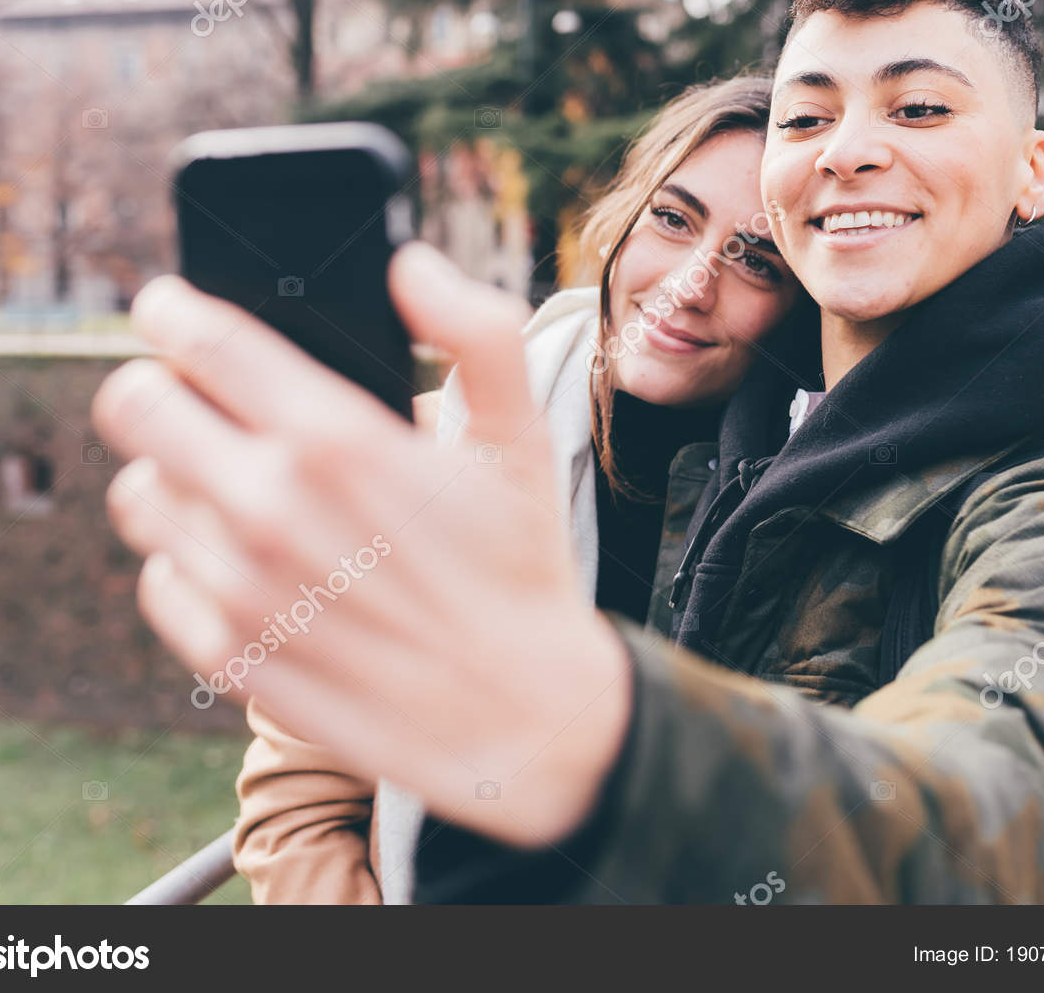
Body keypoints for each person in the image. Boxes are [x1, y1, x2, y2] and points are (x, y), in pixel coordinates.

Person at [92, 0, 1044, 904]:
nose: (848, 147)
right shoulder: (742, 459)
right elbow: (301, 790)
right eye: (807, 115)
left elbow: (1022, 830)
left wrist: (580, 724)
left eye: (918, 107)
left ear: (1034, 173)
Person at [224, 77, 814, 903]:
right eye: (672, 219)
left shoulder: (802, 512)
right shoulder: (429, 455)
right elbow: (299, 809)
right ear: (619, 217)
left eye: (756, 260)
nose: (690, 284)